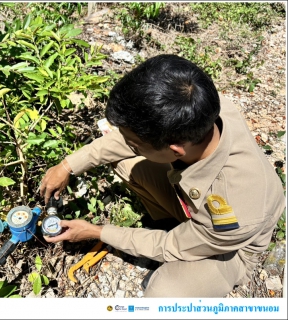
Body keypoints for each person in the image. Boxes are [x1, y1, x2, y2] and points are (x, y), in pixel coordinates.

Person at [39, 54, 286, 297]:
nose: (127, 144)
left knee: (164, 292)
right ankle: (167, 220)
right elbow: (132, 138)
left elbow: (171, 245)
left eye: (134, 144)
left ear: (174, 149)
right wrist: (67, 165)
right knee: (125, 164)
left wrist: (96, 231)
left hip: (232, 250)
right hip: (198, 206)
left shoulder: (236, 209)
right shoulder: (197, 106)